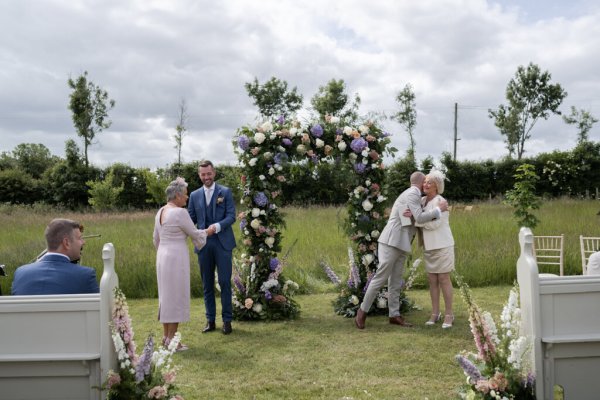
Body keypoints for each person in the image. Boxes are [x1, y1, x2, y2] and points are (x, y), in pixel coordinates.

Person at [355, 171, 448, 329]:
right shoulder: (413, 193)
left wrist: (413, 216)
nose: (427, 184)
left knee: (395, 280)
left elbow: (412, 218)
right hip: (392, 241)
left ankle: (394, 315)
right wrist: (438, 211)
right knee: (381, 277)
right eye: (425, 181)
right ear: (421, 182)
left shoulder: (413, 195)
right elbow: (419, 218)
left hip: (401, 242)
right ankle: (362, 312)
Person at [153, 177, 208, 351]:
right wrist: (209, 231)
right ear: (177, 195)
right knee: (175, 297)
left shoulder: (160, 211)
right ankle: (173, 341)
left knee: (166, 297)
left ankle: (166, 338)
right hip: (175, 257)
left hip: (162, 255)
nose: (187, 198)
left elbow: (156, 239)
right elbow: (195, 234)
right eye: (185, 195)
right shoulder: (179, 212)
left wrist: (163, 251)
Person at [188, 160, 236, 335]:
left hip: (223, 243)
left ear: (214, 173)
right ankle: (210, 320)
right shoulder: (194, 195)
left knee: (224, 282)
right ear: (199, 175)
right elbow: (190, 219)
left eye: (209, 174)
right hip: (203, 245)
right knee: (207, 284)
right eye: (203, 174)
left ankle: (227, 321)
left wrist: (215, 227)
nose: (206, 177)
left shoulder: (225, 192)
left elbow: (231, 216)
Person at [11, 218, 99, 295]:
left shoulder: (20, 273)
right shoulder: (85, 276)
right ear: (66, 243)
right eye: (80, 238)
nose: (84, 242)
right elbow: (100, 310)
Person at [415, 170, 455, 329]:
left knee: (444, 279)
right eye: (424, 181)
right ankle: (435, 313)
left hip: (443, 245)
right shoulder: (422, 201)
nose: (425, 184)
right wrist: (419, 218)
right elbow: (422, 217)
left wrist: (418, 221)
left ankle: (449, 314)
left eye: (429, 182)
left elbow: (434, 224)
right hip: (429, 247)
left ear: (437, 186)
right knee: (432, 280)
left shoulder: (441, 201)